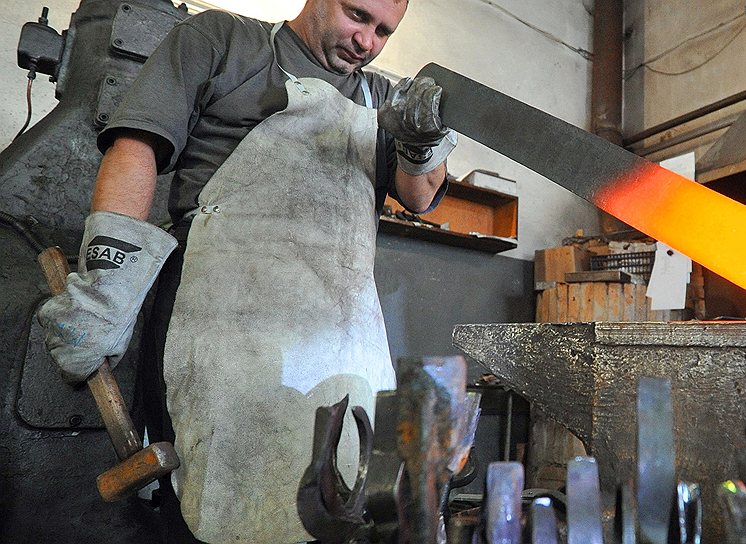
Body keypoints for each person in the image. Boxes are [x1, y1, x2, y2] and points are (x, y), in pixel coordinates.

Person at [36, 0, 456, 542]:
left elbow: (418, 197)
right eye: (357, 16)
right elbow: (136, 147)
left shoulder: (382, 99)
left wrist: (421, 140)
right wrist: (106, 282)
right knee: (221, 502)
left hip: (342, 333)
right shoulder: (223, 41)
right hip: (225, 320)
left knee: (351, 502)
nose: (367, 42)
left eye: (383, 32)